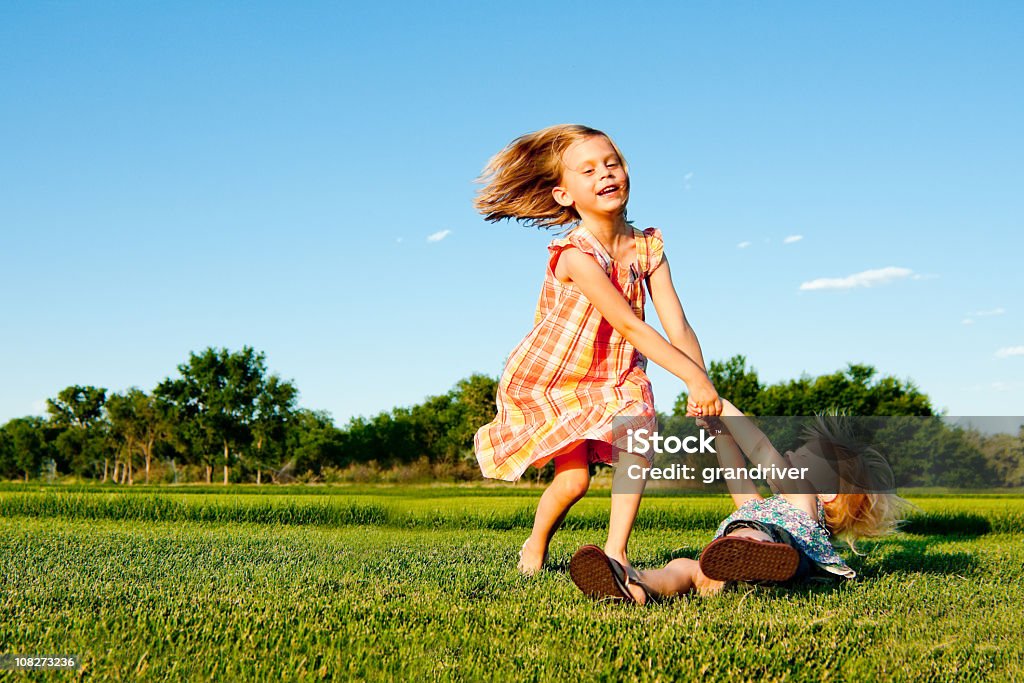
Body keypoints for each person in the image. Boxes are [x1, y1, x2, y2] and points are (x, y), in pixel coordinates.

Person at [473, 124, 722, 576]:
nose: (605, 174)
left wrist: (703, 383)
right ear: (564, 195)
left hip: (621, 371)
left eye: (612, 163)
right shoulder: (575, 255)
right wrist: (689, 377)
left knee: (638, 440)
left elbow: (677, 324)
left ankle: (616, 553)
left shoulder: (648, 248)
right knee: (573, 481)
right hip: (561, 374)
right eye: (587, 170)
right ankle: (536, 542)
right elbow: (627, 322)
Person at [569, 400, 910, 603]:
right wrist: (717, 428)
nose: (790, 453)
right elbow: (735, 471)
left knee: (750, 534)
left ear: (828, 492)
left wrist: (721, 403)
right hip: (743, 551)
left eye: (803, 456)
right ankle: (636, 584)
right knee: (686, 566)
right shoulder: (767, 506)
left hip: (773, 545)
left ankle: (744, 555)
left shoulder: (802, 496)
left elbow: (760, 450)